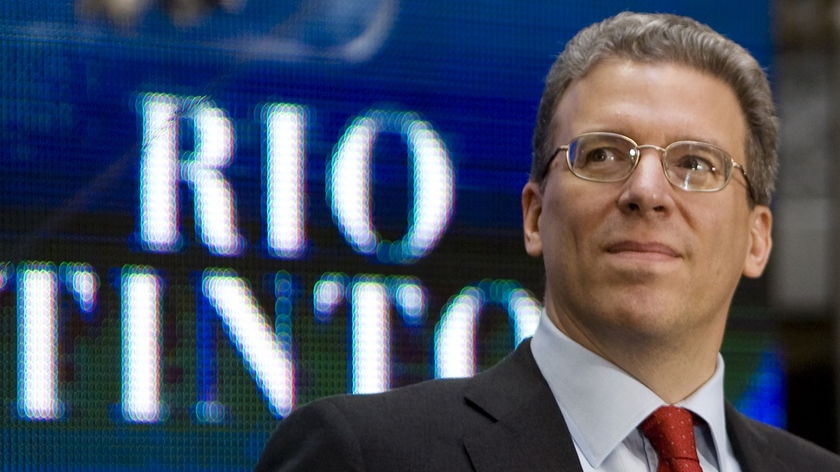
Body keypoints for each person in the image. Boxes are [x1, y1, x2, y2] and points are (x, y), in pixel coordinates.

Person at [255, 12, 840, 471]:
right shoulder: (364, 456)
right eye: (604, 155)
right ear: (535, 217)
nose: (646, 191)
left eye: (696, 163)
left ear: (757, 241)